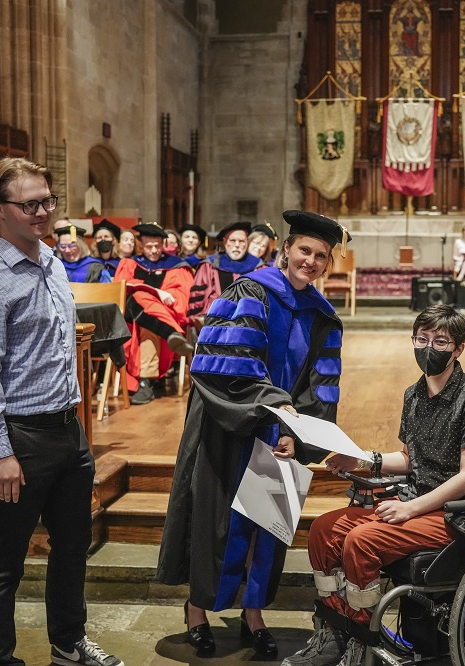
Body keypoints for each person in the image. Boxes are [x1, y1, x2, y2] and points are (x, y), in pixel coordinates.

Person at [0, 157, 123, 666]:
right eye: (30, 205)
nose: (43, 212)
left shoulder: (50, 260)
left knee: (72, 548)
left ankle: (69, 644)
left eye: (47, 200)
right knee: (4, 559)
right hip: (18, 438)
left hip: (67, 429)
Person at [157, 210, 350, 659]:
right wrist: (272, 404)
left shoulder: (322, 315)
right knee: (216, 522)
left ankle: (254, 614)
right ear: (286, 249)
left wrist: (298, 435)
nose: (311, 261)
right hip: (228, 422)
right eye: (304, 250)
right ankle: (197, 612)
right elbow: (223, 362)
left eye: (321, 256)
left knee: (267, 527)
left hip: (280, 432)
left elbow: (321, 386)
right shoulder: (251, 291)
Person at [282, 303, 465, 666]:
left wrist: (410, 508)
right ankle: (334, 631)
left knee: (361, 541)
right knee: (323, 530)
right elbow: (409, 459)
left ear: (458, 349)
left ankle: (361, 640)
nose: (428, 348)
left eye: (440, 342)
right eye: (422, 339)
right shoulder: (413, 394)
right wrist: (362, 460)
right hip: (415, 499)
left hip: (456, 514)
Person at [114, 222, 195, 404]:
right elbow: (121, 290)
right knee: (138, 296)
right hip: (131, 319)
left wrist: (159, 297)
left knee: (148, 325)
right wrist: (156, 292)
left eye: (157, 246)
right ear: (141, 245)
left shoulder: (176, 266)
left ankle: (145, 382)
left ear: (163, 244)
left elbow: (181, 297)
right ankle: (171, 333)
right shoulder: (130, 263)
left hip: (163, 315)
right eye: (148, 246)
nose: (153, 251)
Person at [187, 221, 265, 317]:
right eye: (232, 241)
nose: (237, 245)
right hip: (216, 320)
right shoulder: (209, 265)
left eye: (241, 241)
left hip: (249, 320)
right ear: (224, 242)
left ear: (247, 243)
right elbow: (198, 300)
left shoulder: (259, 267)